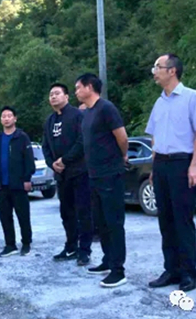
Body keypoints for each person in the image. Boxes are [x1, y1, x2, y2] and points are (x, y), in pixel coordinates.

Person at [146, 54, 196, 292]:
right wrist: (153, 167)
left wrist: (194, 164)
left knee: (183, 220)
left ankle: (188, 273)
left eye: (158, 67)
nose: (154, 72)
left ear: (172, 71)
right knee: (165, 220)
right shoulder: (159, 102)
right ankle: (171, 269)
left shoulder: (193, 97)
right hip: (161, 164)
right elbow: (154, 137)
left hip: (182, 163)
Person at [75, 73, 129, 289]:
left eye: (78, 87)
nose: (76, 92)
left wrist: (121, 156)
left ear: (89, 87)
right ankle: (108, 260)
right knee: (101, 222)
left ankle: (118, 270)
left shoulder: (106, 108)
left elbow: (122, 137)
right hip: (93, 175)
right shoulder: (87, 113)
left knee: (114, 222)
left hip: (110, 174)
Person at [42, 83, 93, 266]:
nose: (53, 97)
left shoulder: (78, 116)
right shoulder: (49, 121)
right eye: (51, 94)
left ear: (66, 96)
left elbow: (82, 141)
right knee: (66, 213)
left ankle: (84, 250)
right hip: (61, 175)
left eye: (57, 93)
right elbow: (45, 146)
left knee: (83, 212)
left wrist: (65, 160)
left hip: (79, 172)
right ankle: (71, 246)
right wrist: (52, 164)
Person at [0, 106, 36, 257]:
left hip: (19, 183)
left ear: (15, 119)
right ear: (0, 119)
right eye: (4, 116)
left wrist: (27, 178)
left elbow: (29, 159)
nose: (6, 119)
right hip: (2, 184)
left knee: (23, 215)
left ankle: (26, 243)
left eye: (9, 116)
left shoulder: (22, 137)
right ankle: (10, 245)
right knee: (5, 216)